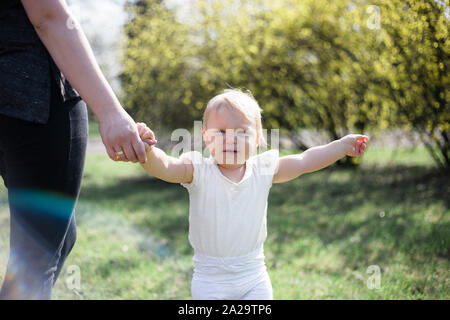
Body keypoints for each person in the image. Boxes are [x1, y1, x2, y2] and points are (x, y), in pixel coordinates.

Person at [135, 88, 369, 300]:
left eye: (241, 132)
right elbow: (165, 167)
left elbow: (304, 161)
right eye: (222, 132)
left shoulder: (263, 170)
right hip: (210, 281)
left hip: (253, 277)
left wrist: (340, 147)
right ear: (207, 137)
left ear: (257, 139)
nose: (231, 139)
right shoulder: (198, 171)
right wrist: (147, 150)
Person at [0, 0, 155, 299]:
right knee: (35, 260)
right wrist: (110, 111)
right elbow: (48, 16)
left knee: (60, 234)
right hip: (33, 98)